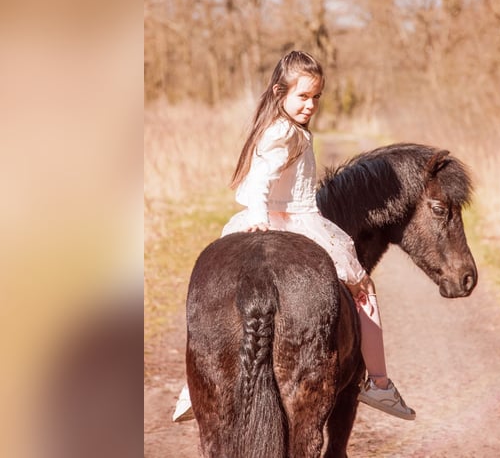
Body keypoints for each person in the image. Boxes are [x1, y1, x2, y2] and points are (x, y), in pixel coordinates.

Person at [172, 50, 415, 422]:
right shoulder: (285, 132)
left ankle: (193, 386)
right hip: (295, 222)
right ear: (278, 92)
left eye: (316, 97)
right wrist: (257, 213)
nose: (311, 105)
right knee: (363, 289)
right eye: (302, 96)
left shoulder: (281, 128)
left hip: (273, 217)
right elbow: (263, 178)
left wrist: (259, 213)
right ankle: (379, 383)